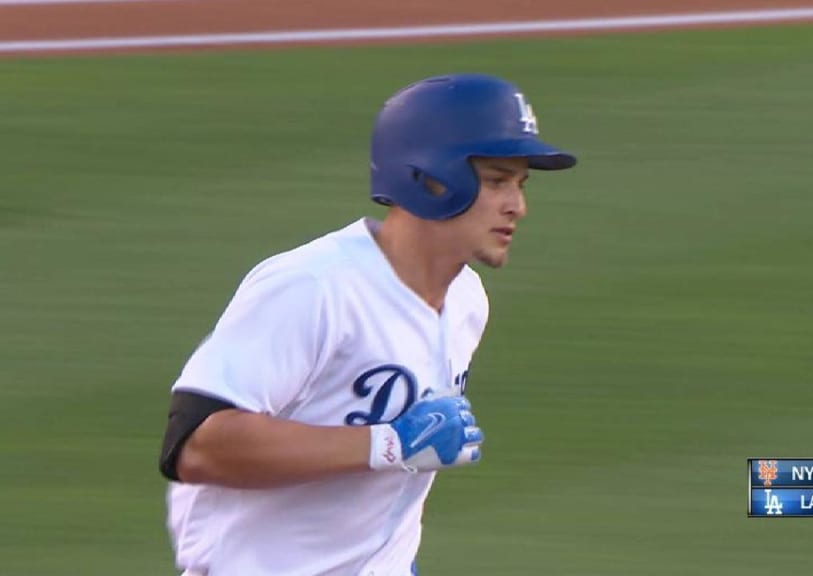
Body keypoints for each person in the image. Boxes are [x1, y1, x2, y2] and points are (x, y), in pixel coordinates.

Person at [158, 73, 577, 576]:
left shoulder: (466, 300)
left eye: (520, 184)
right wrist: (390, 444)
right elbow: (198, 445)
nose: (517, 206)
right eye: (496, 181)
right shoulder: (315, 286)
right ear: (430, 176)